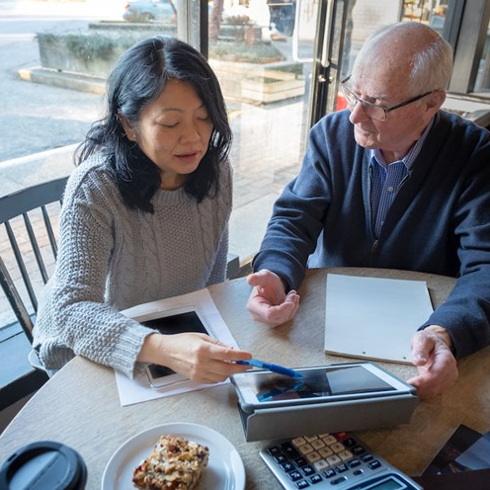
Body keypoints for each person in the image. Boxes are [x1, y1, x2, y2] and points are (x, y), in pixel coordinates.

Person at [246, 22, 490, 399]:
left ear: (431, 104)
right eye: (353, 93)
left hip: (419, 335)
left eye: (376, 104)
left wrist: (446, 332)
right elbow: (294, 219)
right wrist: (276, 272)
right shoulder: (331, 136)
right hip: (328, 318)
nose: (354, 115)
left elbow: (486, 265)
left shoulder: (475, 154)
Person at [33, 36, 252, 382]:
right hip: (88, 347)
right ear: (128, 125)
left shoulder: (216, 171)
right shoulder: (95, 186)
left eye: (204, 117)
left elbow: (211, 277)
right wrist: (162, 347)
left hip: (171, 330)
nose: (194, 138)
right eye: (170, 123)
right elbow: (70, 311)